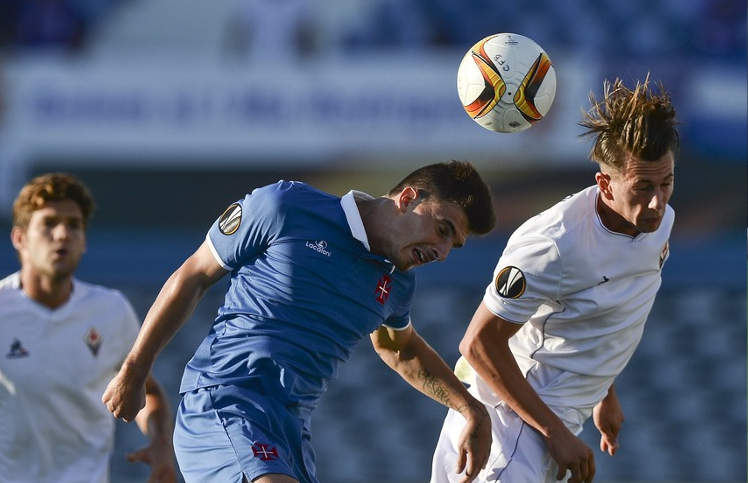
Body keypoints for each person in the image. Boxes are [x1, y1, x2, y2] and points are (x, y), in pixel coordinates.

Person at [103, 161, 497, 483]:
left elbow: (400, 348)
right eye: (442, 230)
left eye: (453, 244)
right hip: (225, 401)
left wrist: (471, 410)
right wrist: (135, 370)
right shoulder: (286, 207)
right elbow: (194, 276)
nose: (443, 251)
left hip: (290, 432)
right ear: (408, 199)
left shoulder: (397, 283)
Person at [430, 76, 678, 483]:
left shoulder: (659, 221)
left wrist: (604, 392)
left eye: (666, 183)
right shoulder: (553, 244)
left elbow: (609, 305)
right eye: (643, 187)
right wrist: (555, 432)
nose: (657, 201)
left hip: (553, 425)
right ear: (605, 184)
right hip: (509, 431)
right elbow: (477, 344)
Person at [0, 173, 177, 482]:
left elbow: (145, 390)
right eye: (49, 223)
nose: (62, 234)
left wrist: (160, 442)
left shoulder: (110, 309)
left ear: (84, 241)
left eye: (74, 225)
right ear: (20, 238)